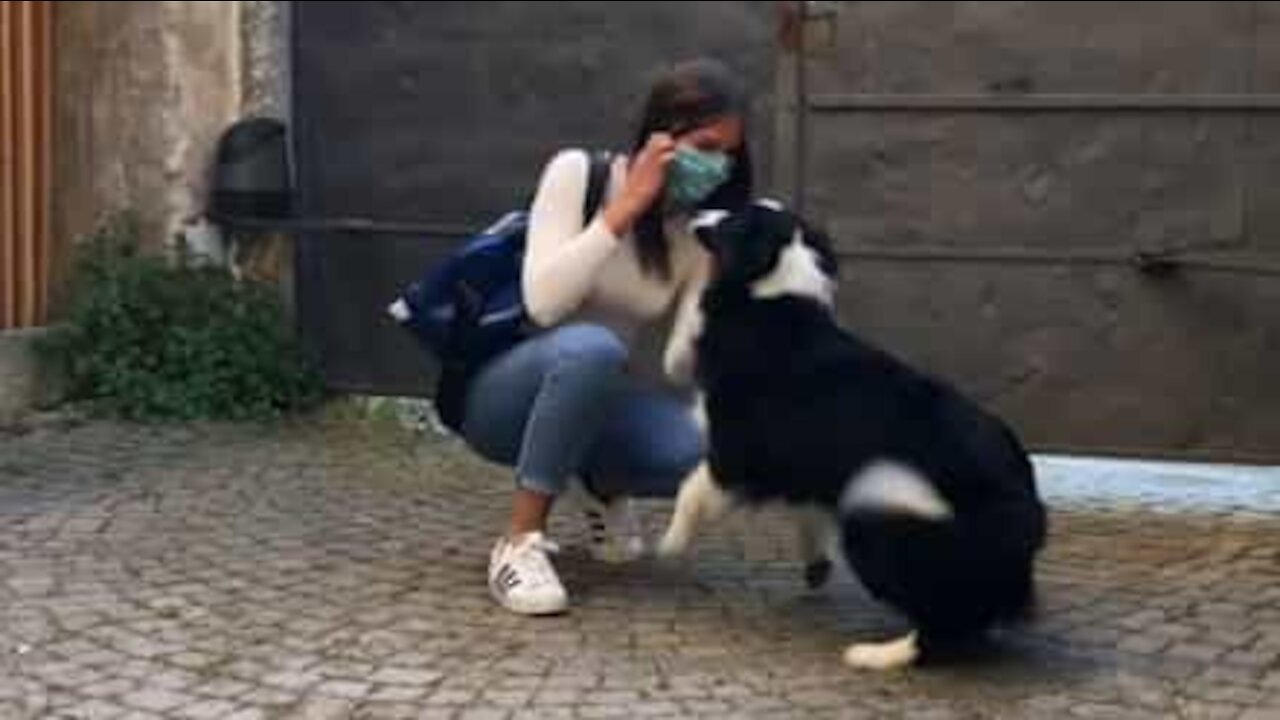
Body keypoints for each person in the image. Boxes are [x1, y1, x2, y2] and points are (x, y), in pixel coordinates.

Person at [454, 58, 755, 615]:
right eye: (707, 146)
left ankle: (598, 479)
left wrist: (721, 291)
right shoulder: (578, 174)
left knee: (704, 453)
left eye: (729, 155)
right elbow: (545, 304)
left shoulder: (695, 235)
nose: (717, 166)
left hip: (594, 397)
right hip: (501, 399)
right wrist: (625, 209)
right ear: (662, 133)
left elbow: (677, 365)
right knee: (592, 348)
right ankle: (518, 544)